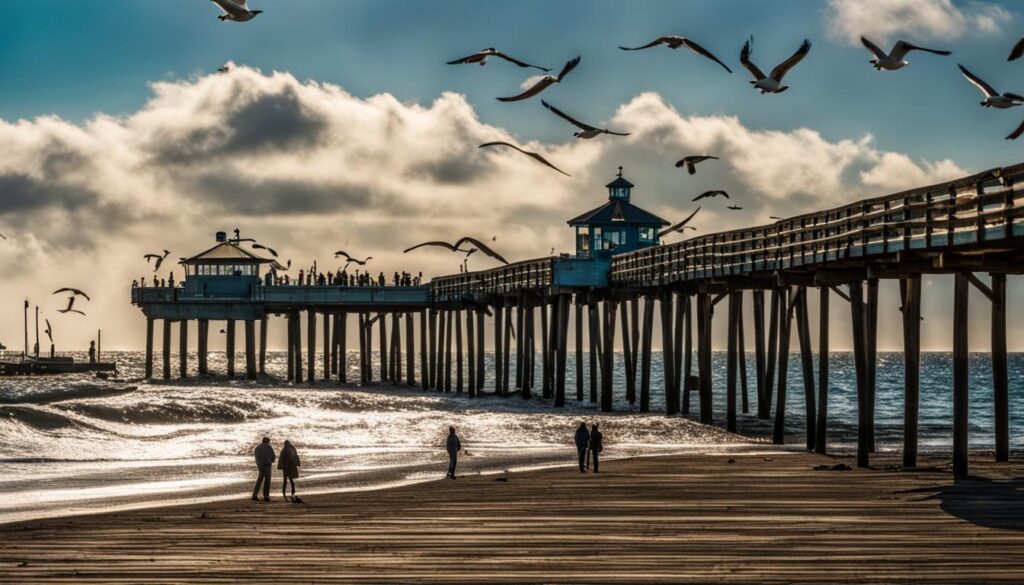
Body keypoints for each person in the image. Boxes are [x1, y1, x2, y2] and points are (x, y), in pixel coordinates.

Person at [252, 437, 276, 501]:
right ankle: (266, 495)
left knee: (260, 479)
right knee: (267, 480)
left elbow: (257, 458)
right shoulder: (269, 447)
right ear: (267, 441)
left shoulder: (257, 448)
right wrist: (271, 461)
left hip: (260, 465)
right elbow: (273, 457)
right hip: (267, 465)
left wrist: (259, 464)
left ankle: (255, 494)